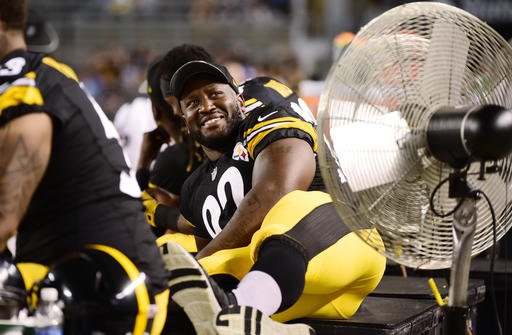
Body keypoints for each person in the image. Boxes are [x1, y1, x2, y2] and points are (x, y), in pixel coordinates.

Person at [157, 60, 386, 335]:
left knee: (291, 207)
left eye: (215, 93)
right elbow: (216, 256)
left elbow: (276, 191)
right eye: (193, 102)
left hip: (345, 246)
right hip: (282, 292)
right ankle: (248, 320)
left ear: (240, 101)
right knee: (173, 265)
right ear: (184, 119)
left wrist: (201, 262)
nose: (206, 106)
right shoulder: (195, 186)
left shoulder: (265, 119)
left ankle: (241, 311)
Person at [0, 1, 169, 332]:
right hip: (63, 276)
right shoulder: (45, 74)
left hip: (110, 287)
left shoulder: (22, 86)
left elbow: (3, 217)